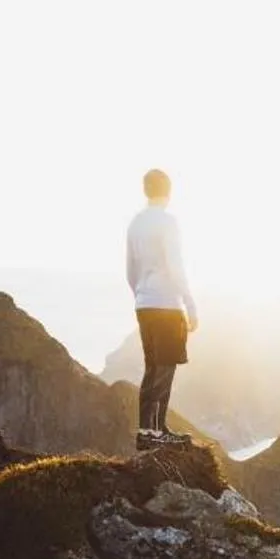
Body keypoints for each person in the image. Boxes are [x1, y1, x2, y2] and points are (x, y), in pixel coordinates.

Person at [126, 168, 197, 447]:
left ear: (146, 190)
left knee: (152, 367)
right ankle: (152, 432)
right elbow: (175, 266)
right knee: (166, 367)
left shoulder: (135, 223)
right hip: (167, 304)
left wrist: (141, 294)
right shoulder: (168, 222)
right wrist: (190, 304)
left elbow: (129, 269)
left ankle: (152, 428)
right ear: (169, 190)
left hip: (144, 304)